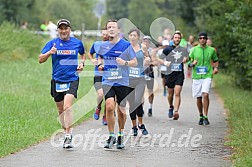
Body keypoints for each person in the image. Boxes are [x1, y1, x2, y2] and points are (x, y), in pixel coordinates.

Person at [39, 19, 86, 148]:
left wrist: (82, 63)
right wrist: (49, 53)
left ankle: (68, 136)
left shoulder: (77, 43)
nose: (64, 31)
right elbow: (40, 59)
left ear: (70, 30)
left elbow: (83, 54)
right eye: (61, 29)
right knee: (61, 111)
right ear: (58, 30)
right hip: (57, 80)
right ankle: (66, 130)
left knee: (67, 107)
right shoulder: (52, 43)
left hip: (72, 78)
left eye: (66, 28)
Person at [97, 19, 137, 149]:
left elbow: (135, 62)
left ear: (118, 30)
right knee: (109, 106)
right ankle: (111, 135)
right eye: (109, 27)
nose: (111, 29)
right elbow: (100, 60)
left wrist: (124, 63)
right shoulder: (103, 46)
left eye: (114, 27)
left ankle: (120, 134)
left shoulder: (125, 45)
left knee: (121, 110)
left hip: (122, 81)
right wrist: (101, 65)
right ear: (106, 30)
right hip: (108, 80)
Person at [188, 32, 219, 125]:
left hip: (207, 75)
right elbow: (189, 63)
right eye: (200, 38)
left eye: (204, 38)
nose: (202, 39)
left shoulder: (211, 50)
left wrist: (216, 68)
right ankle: (201, 115)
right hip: (197, 76)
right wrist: (192, 64)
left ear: (206, 39)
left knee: (205, 94)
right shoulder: (193, 50)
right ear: (198, 39)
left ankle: (206, 116)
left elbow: (216, 60)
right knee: (198, 97)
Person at [158, 31, 189, 120]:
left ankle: (176, 111)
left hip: (179, 74)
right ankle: (171, 106)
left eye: (179, 38)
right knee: (170, 94)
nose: (177, 39)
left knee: (177, 93)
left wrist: (185, 59)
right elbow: (159, 59)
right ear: (173, 39)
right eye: (175, 38)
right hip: (169, 74)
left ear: (180, 39)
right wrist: (165, 62)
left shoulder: (183, 50)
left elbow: (188, 58)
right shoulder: (167, 49)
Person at [127, 28, 150, 136]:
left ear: (138, 37)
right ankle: (134, 126)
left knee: (138, 101)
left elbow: (147, 57)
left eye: (134, 35)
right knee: (132, 104)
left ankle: (141, 124)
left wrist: (147, 59)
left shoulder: (143, 47)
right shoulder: (126, 47)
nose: (132, 37)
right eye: (131, 35)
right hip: (129, 79)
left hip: (140, 78)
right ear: (129, 37)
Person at [88, 26, 109, 125]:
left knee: (108, 98)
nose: (105, 36)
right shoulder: (96, 44)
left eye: (107, 34)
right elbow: (90, 53)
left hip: (109, 74)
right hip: (98, 73)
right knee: (101, 94)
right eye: (103, 34)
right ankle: (98, 107)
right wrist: (92, 60)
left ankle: (105, 116)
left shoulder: (114, 45)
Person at [142, 35, 156, 117]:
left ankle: (150, 107)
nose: (146, 43)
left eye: (147, 41)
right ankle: (142, 108)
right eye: (144, 41)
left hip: (149, 72)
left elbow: (155, 62)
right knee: (141, 91)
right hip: (141, 73)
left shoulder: (152, 51)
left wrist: (150, 63)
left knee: (150, 91)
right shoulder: (139, 50)